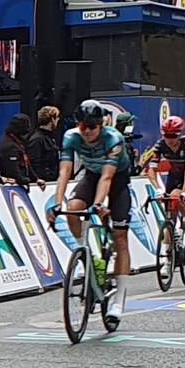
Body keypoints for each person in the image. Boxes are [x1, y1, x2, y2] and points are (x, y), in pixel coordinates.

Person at [50, 102, 132, 270]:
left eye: (91, 126)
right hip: (92, 175)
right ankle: (87, 255)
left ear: (100, 126)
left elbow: (107, 177)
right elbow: (64, 172)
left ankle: (120, 291)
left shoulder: (114, 138)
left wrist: (98, 204)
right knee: (72, 208)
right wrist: (57, 203)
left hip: (117, 178)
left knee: (120, 238)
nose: (86, 131)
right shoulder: (71, 137)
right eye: (82, 126)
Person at [139, 115, 185, 245]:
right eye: (166, 135)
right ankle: (168, 257)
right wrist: (158, 188)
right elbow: (151, 169)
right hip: (175, 175)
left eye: (173, 136)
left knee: (177, 195)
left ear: (180, 134)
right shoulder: (160, 144)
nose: (169, 140)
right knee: (170, 215)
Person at [28, 105, 64, 187]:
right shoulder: (37, 139)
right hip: (43, 184)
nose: (58, 120)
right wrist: (38, 179)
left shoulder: (50, 138)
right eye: (57, 117)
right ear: (52, 119)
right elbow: (33, 163)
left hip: (52, 182)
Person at [0, 114, 38, 185]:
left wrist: (36, 179)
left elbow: (27, 163)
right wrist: (27, 180)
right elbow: (13, 171)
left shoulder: (16, 142)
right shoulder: (9, 145)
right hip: (13, 186)